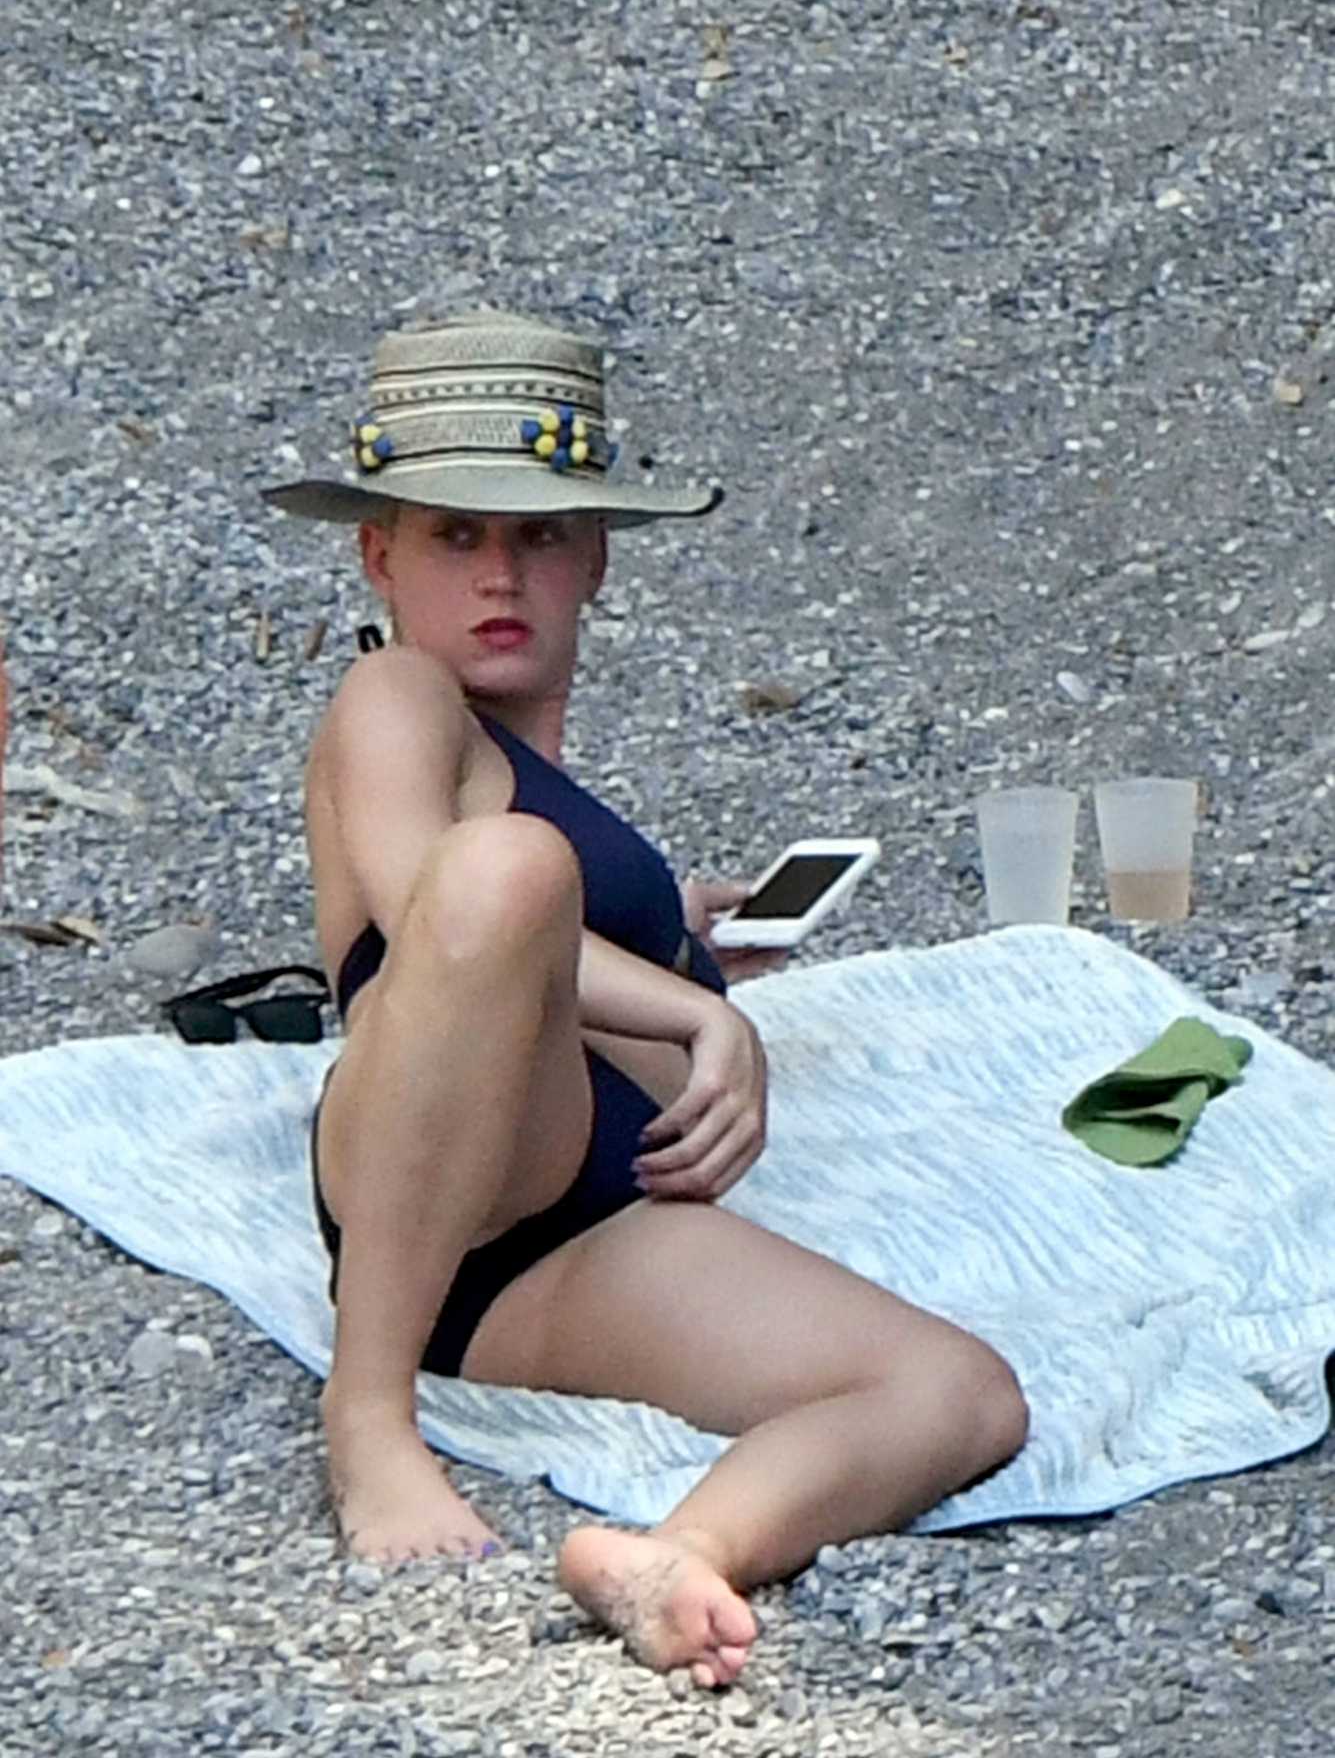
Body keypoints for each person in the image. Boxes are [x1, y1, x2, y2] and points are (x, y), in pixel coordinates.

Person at [264, 309, 1028, 1689]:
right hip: (423, 1179)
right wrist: (694, 1015)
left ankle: (678, 1556)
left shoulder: (547, 793)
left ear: (597, 558)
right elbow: (429, 896)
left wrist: (681, 944)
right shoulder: (394, 695)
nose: (502, 573)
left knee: (954, 1391)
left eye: (542, 536)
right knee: (503, 872)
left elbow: (565, 952)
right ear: (379, 556)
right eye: (455, 536)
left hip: (576, 1237)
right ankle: (367, 1416)